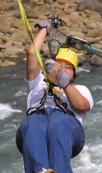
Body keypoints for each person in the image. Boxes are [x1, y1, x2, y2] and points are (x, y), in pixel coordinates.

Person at [16, 16, 94, 173]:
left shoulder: (80, 89)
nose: (63, 69)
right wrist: (45, 28)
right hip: (37, 119)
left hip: (67, 125)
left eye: (68, 67)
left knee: (58, 124)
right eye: (60, 65)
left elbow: (81, 106)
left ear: (73, 74)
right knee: (32, 125)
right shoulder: (38, 83)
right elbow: (32, 53)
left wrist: (64, 83)